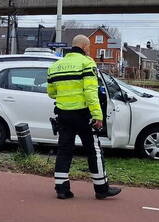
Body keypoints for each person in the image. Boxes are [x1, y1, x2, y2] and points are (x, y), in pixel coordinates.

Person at [47, 34, 122, 200]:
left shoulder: (55, 66)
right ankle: (101, 188)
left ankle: (61, 189)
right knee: (94, 150)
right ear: (84, 46)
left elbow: (51, 93)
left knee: (64, 150)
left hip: (63, 114)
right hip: (82, 115)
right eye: (88, 47)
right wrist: (97, 115)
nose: (89, 50)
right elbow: (90, 92)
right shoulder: (87, 63)